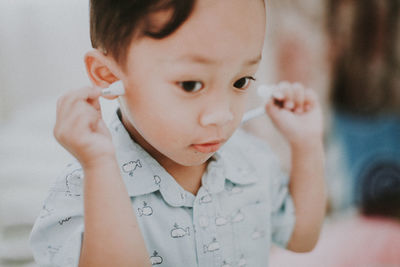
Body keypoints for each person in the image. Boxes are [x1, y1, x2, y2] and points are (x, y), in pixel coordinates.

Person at [29, 0, 326, 266]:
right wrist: (99, 166)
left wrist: (308, 144)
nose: (222, 115)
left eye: (240, 81)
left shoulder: (252, 160)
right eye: (190, 85)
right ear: (109, 76)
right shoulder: (85, 187)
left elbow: (301, 239)